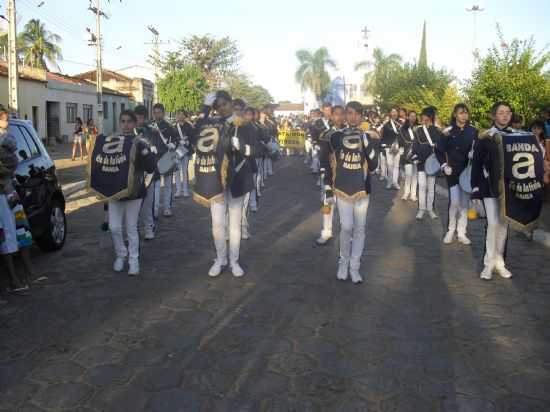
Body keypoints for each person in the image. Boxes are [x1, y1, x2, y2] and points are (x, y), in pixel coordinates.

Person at [191, 91, 255, 278]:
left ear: (231, 103)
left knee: (234, 223)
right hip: (215, 178)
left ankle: (234, 260)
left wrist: (242, 147)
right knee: (218, 223)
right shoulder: (212, 123)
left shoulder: (243, 124)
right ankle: (220, 259)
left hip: (237, 177)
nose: (221, 108)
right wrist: (205, 108)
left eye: (223, 104)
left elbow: (257, 149)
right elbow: (196, 131)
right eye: (217, 106)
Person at [324, 101, 379, 284]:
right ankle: (343, 262)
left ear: (362, 116)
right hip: (342, 188)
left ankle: (355, 266)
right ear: (345, 116)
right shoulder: (336, 136)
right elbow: (328, 163)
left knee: (360, 228)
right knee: (346, 227)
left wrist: (365, 139)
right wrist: (327, 190)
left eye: (357, 113)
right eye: (349, 113)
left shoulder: (369, 136)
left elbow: (374, 164)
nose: (353, 117)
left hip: (362, 189)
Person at [105, 110, 156, 276]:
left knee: (131, 228)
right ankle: (121, 254)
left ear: (135, 124)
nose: (125, 125)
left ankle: (134, 260)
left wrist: (145, 151)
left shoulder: (140, 142)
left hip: (134, 191)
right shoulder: (112, 141)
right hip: (115, 191)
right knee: (114, 227)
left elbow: (150, 167)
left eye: (129, 121)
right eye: (123, 121)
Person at [471, 102, 516, 280]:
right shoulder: (485, 136)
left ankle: (500, 262)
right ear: (494, 115)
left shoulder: (517, 136)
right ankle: (488, 264)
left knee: (504, 225)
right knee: (493, 224)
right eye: (501, 112)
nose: (505, 116)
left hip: (509, 188)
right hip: (489, 187)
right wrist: (475, 187)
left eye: (508, 112)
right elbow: (476, 163)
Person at [0, 108, 34, 294]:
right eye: (6, 120)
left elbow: (9, 166)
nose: (8, 124)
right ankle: (14, 279)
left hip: (9, 193)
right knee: (8, 236)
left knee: (21, 231)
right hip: (4, 193)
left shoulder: (7, 138)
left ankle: (26, 273)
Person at [440, 104, 478, 245]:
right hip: (452, 171)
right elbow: (439, 149)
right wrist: (444, 165)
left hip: (467, 172)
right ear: (455, 114)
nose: (464, 115)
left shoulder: (473, 131)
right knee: (455, 201)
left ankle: (462, 232)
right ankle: (450, 230)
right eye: (461, 113)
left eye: (466, 113)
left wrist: (475, 154)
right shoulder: (447, 131)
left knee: (464, 203)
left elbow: (480, 148)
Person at [317, 105, 345, 246]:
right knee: (327, 203)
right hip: (330, 175)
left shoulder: (350, 133)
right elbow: (323, 158)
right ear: (331, 116)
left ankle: (347, 233)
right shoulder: (325, 135)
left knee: (346, 207)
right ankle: (326, 231)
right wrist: (325, 178)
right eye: (336, 114)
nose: (339, 117)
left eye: (342, 114)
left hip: (347, 176)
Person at [410, 106, 443, 220]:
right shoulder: (418, 130)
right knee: (422, 187)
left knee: (431, 187)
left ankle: (430, 209)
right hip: (421, 162)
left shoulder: (437, 130)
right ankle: (421, 209)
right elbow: (415, 145)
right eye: (422, 116)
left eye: (424, 116)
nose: (422, 118)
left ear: (430, 117)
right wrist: (414, 156)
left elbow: (440, 146)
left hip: (432, 163)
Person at [135, 105, 161, 240]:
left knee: (148, 201)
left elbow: (155, 148)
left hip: (149, 171)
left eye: (140, 118)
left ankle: (149, 227)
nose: (138, 120)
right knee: (135, 203)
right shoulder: (130, 131)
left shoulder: (151, 131)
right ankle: (136, 228)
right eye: (136, 118)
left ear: (144, 118)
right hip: (135, 172)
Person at [150, 103, 179, 218]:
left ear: (163, 113)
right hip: (154, 159)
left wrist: (173, 145)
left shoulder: (169, 126)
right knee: (155, 186)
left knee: (168, 185)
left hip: (167, 157)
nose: (157, 115)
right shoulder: (150, 126)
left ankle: (167, 208)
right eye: (155, 112)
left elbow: (176, 140)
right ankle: (155, 210)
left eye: (159, 112)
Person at [399, 110, 418, 201]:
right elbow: (400, 140)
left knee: (415, 175)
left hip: (416, 153)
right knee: (408, 174)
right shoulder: (403, 128)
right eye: (411, 116)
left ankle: (413, 194)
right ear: (408, 117)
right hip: (407, 153)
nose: (413, 118)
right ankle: (406, 192)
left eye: (414, 116)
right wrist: (402, 152)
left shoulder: (418, 128)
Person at [380, 108, 402, 189]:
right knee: (389, 165)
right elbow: (383, 136)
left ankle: (395, 182)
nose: (394, 113)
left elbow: (403, 135)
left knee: (396, 166)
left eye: (395, 111)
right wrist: (383, 145)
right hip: (388, 147)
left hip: (398, 147)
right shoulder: (386, 124)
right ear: (390, 113)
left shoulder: (401, 123)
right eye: (392, 112)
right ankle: (389, 182)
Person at [174, 110, 194, 198]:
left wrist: (188, 140)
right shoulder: (174, 127)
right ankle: (178, 190)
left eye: (182, 114)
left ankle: (185, 190)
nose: (180, 116)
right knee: (177, 171)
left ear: (185, 116)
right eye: (178, 114)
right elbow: (172, 138)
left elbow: (193, 137)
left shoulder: (189, 126)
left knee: (185, 171)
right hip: (177, 150)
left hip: (185, 151)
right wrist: (177, 142)